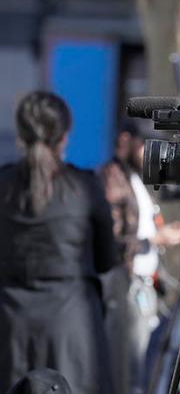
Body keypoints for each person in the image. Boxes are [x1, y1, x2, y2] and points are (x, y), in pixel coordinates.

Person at [0, 91, 117, 393]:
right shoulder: (84, 187)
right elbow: (107, 259)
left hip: (10, 325)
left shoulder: (3, 184)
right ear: (64, 136)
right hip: (71, 328)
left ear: (21, 135)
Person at [99, 121, 180, 393]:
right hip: (126, 282)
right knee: (129, 363)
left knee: (144, 360)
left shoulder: (135, 178)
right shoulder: (111, 179)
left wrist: (158, 234)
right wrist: (155, 239)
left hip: (144, 283)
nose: (149, 155)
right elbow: (110, 241)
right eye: (144, 147)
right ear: (126, 140)